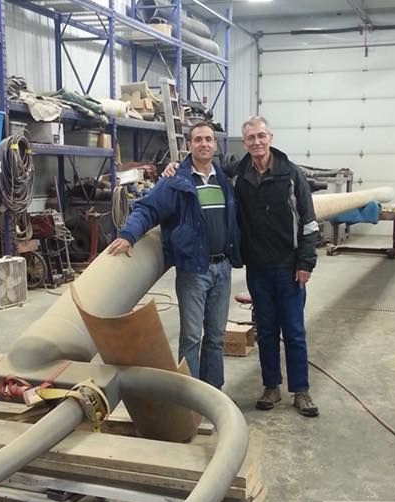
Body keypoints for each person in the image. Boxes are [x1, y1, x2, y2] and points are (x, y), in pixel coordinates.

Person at [107, 121, 241, 389]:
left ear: (215, 145)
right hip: (193, 270)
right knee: (192, 337)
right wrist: (128, 234)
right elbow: (148, 209)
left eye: (208, 139)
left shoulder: (223, 179)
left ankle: (214, 393)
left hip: (222, 268)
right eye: (198, 139)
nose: (204, 144)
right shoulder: (176, 181)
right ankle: (189, 397)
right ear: (189, 145)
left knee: (215, 336)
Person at [235, 116, 320, 417]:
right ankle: (271, 387)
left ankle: (301, 391)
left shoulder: (291, 175)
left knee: (294, 332)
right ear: (244, 143)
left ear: (270, 136)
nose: (256, 142)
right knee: (267, 331)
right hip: (257, 269)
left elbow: (309, 224)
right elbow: (204, 171)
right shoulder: (239, 176)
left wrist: (306, 262)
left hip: (289, 268)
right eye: (250, 138)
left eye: (261, 136)